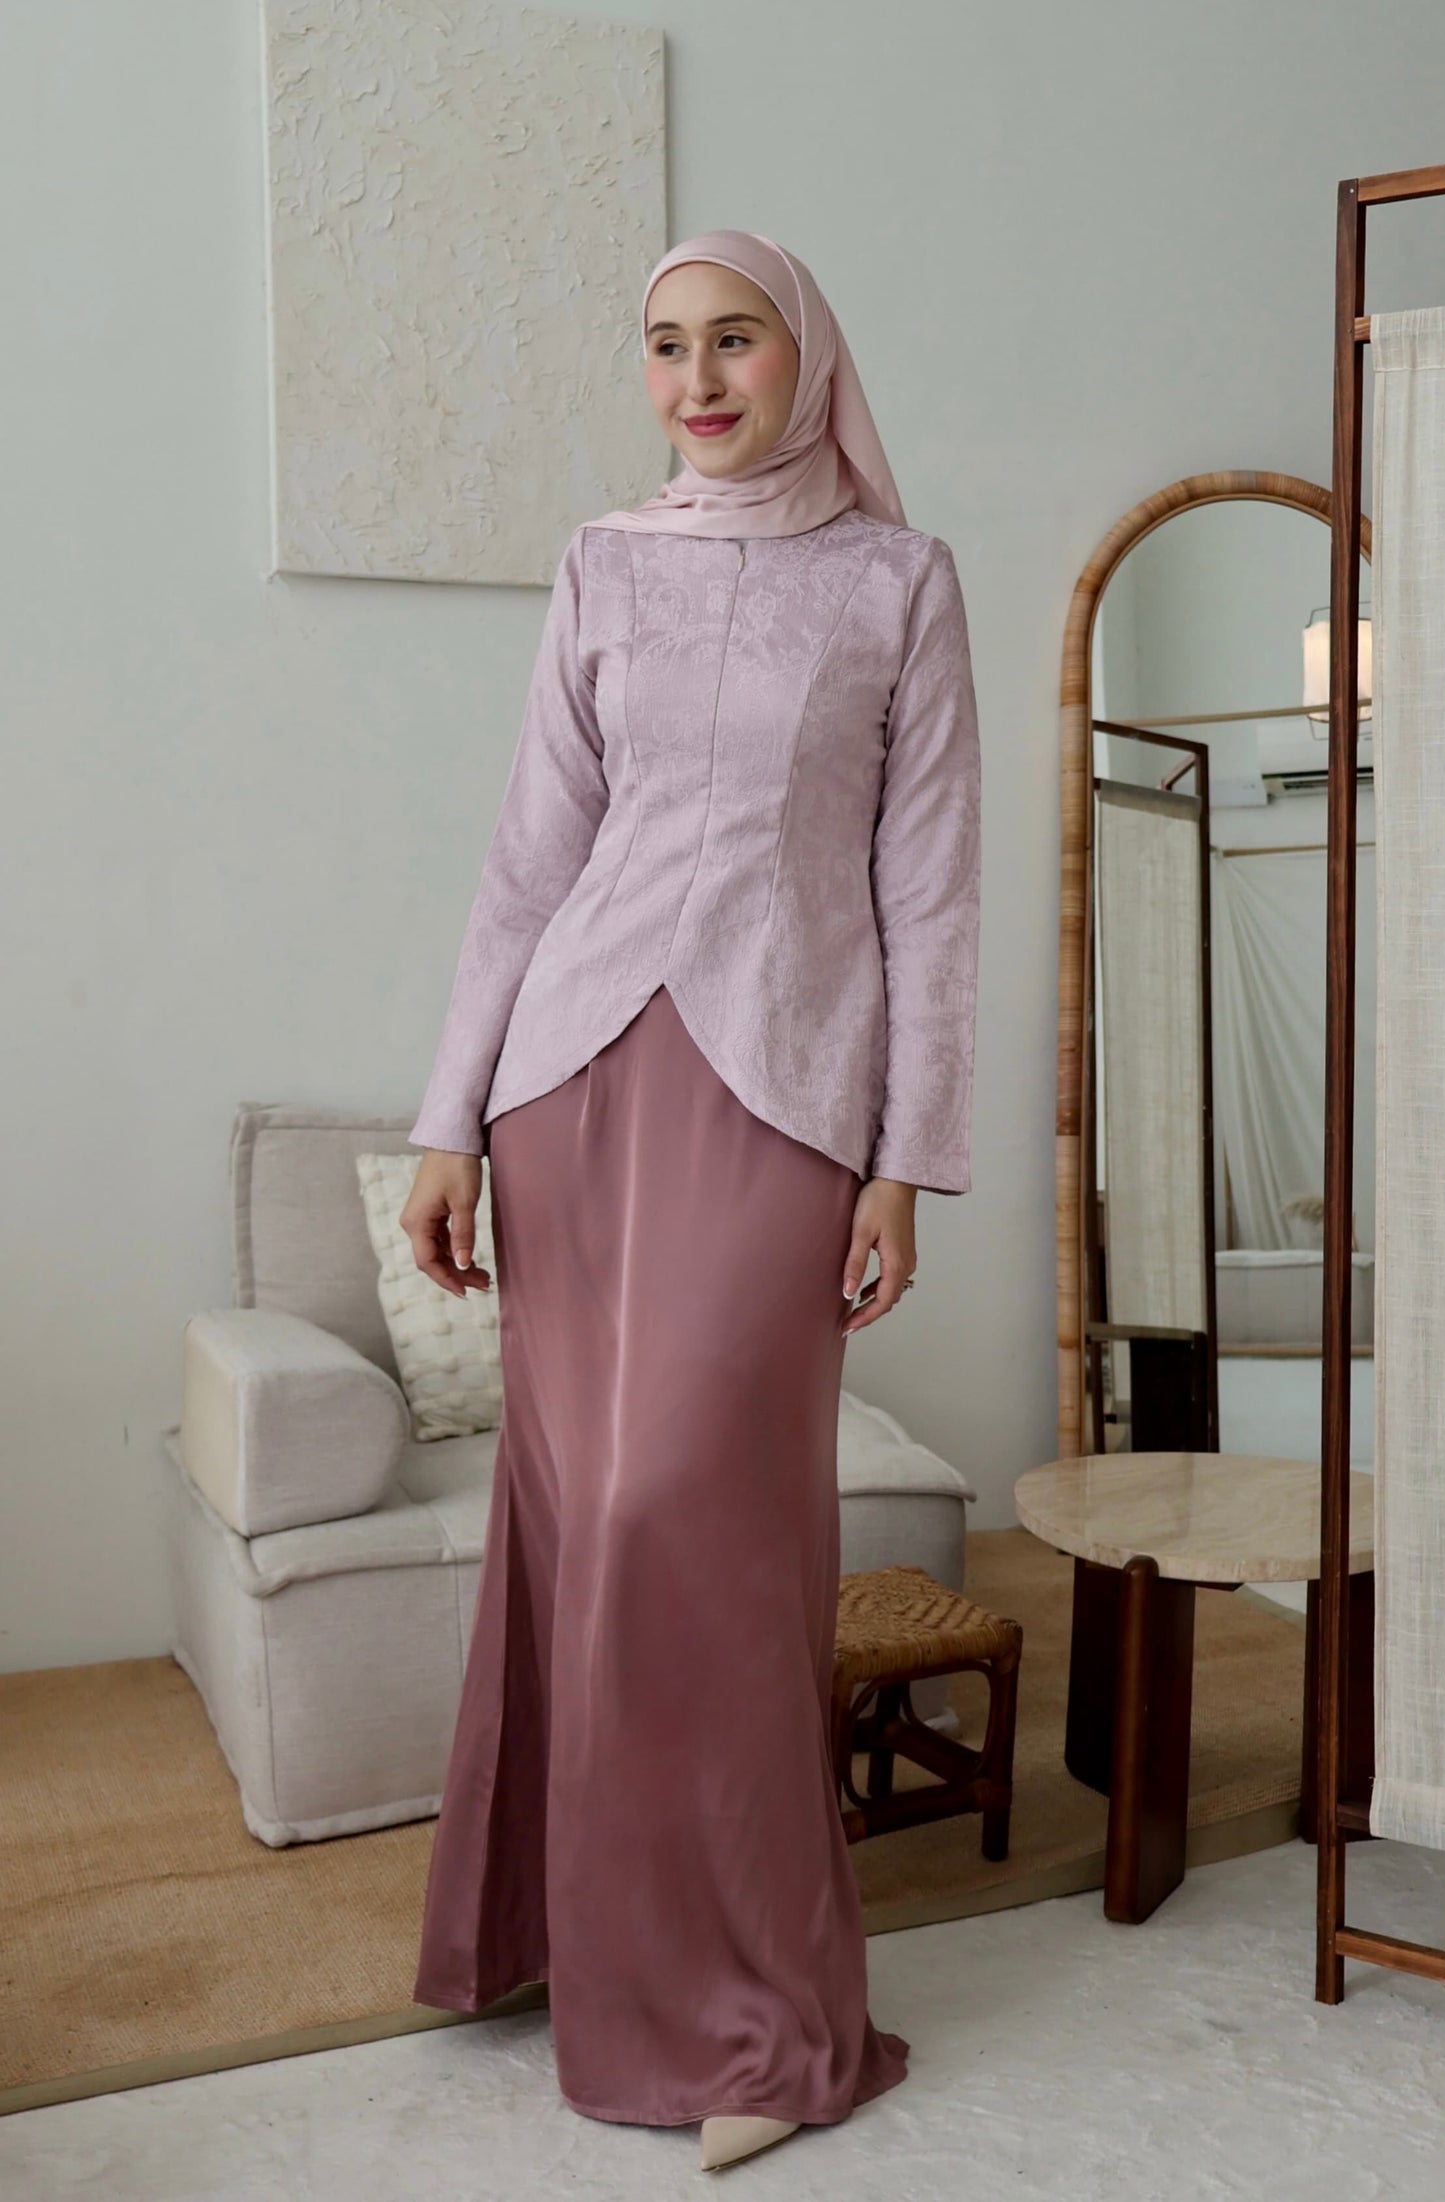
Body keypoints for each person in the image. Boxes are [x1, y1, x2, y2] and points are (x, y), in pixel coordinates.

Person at [400, 229, 981, 2172]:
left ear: (803, 352)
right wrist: (444, 1120)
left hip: (790, 1090)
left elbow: (933, 895)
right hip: (571, 1082)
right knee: (582, 1520)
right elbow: (522, 862)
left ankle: (761, 2026)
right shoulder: (601, 566)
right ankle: (572, 1939)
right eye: (666, 346)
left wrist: (907, 1160)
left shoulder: (902, 584)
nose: (700, 377)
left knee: (696, 1528)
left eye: (734, 339)